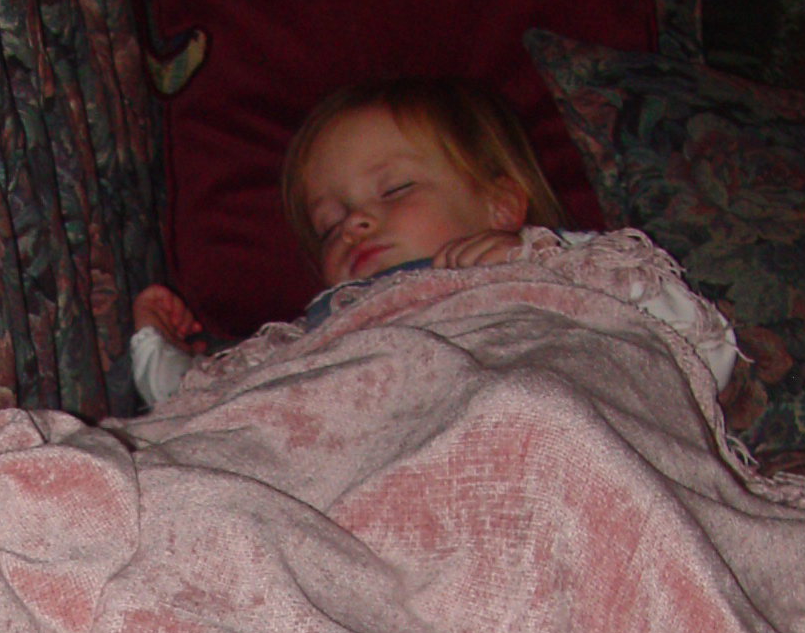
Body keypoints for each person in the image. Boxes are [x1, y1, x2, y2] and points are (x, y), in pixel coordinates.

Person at [125, 76, 568, 407]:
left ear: (501, 205)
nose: (354, 223)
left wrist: (535, 261)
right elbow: (201, 405)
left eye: (395, 189)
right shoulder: (318, 336)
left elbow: (635, 309)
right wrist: (156, 346)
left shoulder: (560, 273)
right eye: (328, 226)